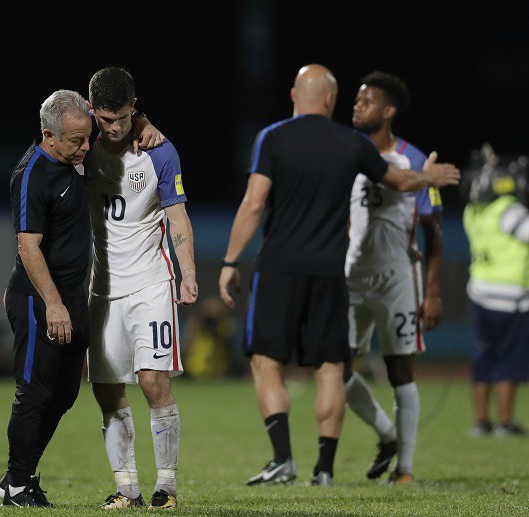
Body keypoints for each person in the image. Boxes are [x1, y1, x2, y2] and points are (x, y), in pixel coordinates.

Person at [217, 64, 460, 487]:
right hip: (334, 272)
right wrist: (430, 177)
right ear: (330, 100)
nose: (355, 105)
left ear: (296, 94)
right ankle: (326, 469)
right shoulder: (351, 144)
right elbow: (401, 182)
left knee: (266, 359)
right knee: (332, 366)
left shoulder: (272, 137)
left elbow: (254, 203)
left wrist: (229, 262)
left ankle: (286, 459)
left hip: (288, 268)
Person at [84, 67, 197, 511]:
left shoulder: (160, 151)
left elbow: (177, 216)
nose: (115, 128)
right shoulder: (81, 151)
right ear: (93, 111)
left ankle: (165, 487)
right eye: (106, 119)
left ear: (135, 108)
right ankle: (126, 487)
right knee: (107, 389)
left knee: (153, 381)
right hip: (102, 290)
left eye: (125, 118)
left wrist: (187, 273)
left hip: (151, 283)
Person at [343, 71, 444, 484]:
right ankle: (387, 434)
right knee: (333, 367)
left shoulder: (414, 160)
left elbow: (434, 228)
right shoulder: (347, 154)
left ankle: (404, 469)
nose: (356, 106)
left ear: (388, 111)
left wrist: (433, 291)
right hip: (350, 278)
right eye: (356, 99)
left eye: (366, 101)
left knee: (400, 368)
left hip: (397, 279)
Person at [0, 89, 93, 508]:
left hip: (73, 295)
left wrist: (144, 124)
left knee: (65, 394)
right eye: (76, 141)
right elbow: (27, 247)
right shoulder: (33, 174)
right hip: (40, 300)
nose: (86, 147)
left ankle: (18, 477)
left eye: (87, 137)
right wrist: (53, 304)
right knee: (34, 393)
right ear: (48, 135)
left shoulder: (71, 151)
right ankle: (17, 485)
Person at [463, 143, 529, 437]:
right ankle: (503, 423)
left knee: (484, 358)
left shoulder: (472, 212)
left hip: (480, 294)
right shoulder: (508, 211)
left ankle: (481, 422)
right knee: (508, 361)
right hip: (511, 298)